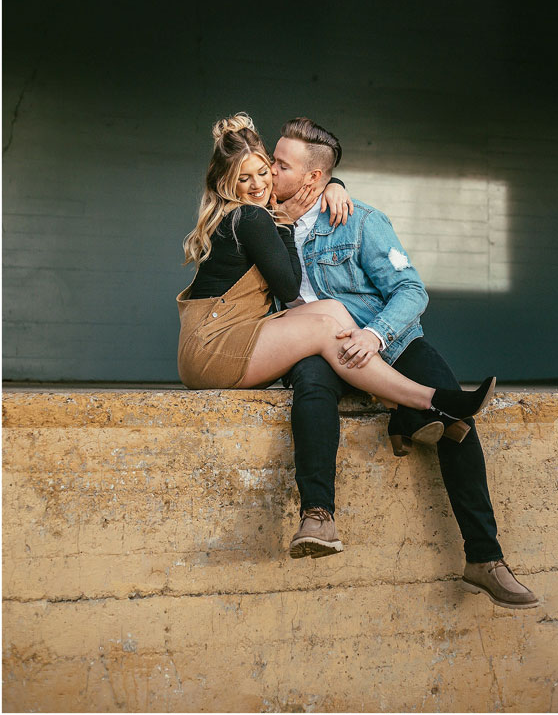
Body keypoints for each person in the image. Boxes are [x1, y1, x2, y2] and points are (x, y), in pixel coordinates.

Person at [269, 116, 538, 611]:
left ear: (313, 179)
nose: (268, 168)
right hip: (314, 349)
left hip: (385, 343)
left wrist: (374, 336)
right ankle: (318, 516)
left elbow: (411, 291)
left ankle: (485, 559)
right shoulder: (261, 218)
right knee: (310, 383)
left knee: (458, 415)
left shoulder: (359, 220)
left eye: (280, 164)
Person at [177, 115, 496, 475]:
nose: (259, 185)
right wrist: (285, 223)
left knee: (331, 309)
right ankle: (427, 401)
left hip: (228, 336)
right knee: (324, 330)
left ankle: (405, 411)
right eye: (244, 178)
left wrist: (334, 184)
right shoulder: (252, 218)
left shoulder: (259, 214)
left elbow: (316, 170)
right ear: (225, 182)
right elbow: (286, 285)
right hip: (212, 349)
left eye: (265, 171)